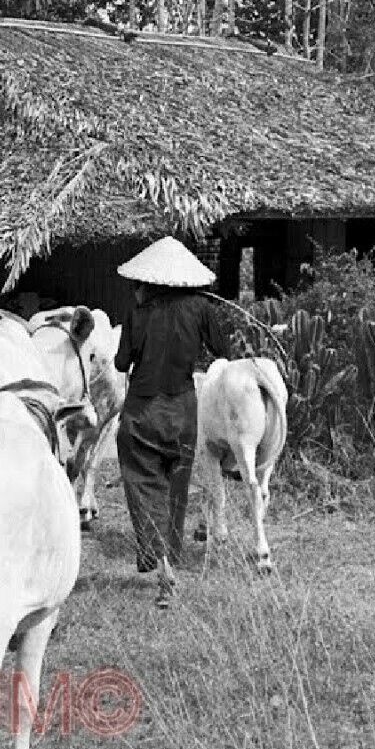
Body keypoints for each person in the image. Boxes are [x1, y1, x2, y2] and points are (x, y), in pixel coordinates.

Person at [114, 236, 232, 600]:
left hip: (142, 413)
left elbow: (121, 364)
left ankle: (163, 565)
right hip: (182, 412)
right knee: (175, 488)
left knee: (145, 486)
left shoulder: (138, 314)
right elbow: (222, 352)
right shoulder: (201, 308)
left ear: (146, 283)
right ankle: (170, 560)